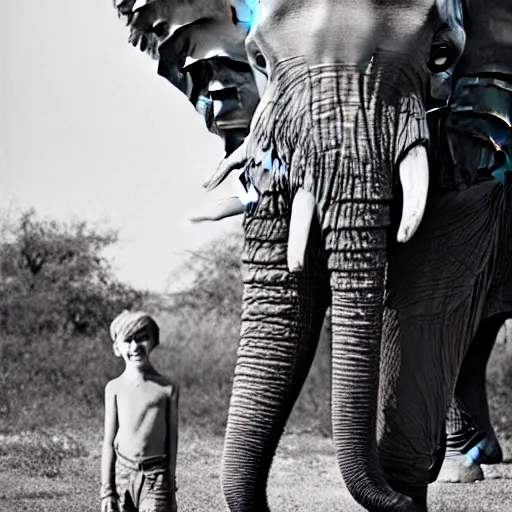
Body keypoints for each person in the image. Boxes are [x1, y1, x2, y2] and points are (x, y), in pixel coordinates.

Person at [101, 310, 179, 512]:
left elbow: (172, 442)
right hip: (122, 475)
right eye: (128, 340)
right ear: (116, 347)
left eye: (142, 338)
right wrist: (107, 491)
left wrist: (170, 488)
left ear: (154, 341)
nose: (135, 346)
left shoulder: (167, 389)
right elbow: (109, 442)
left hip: (155, 476)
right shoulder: (114, 388)